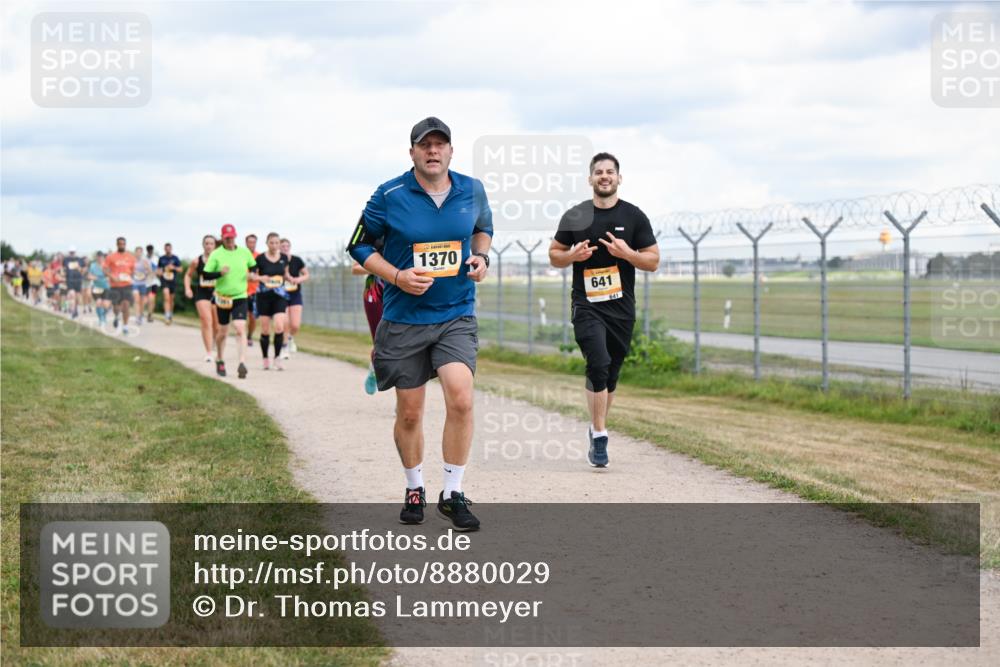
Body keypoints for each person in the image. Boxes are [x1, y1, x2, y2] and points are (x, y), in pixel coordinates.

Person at [348, 116, 492, 531]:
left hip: (455, 314)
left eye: (440, 144)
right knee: (410, 413)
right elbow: (357, 244)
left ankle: (453, 492)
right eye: (424, 145)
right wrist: (396, 276)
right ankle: (415, 487)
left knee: (461, 398)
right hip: (404, 319)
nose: (433, 151)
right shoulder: (389, 194)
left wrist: (481, 258)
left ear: (451, 151)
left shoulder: (472, 190)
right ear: (411, 152)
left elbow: (483, 229)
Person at [548, 152, 659, 468]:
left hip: (621, 308)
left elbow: (653, 260)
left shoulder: (635, 217)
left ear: (619, 178)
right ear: (590, 179)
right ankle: (599, 433)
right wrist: (572, 257)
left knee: (611, 372)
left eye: (610, 171)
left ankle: (596, 424)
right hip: (586, 305)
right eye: (599, 172)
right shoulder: (576, 216)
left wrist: (628, 254)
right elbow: (554, 255)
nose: (605, 176)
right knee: (598, 362)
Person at [201, 224, 257, 379]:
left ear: (235, 236)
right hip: (223, 298)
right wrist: (219, 273)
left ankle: (242, 363)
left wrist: (252, 275)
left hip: (240, 295)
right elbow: (205, 275)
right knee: (223, 332)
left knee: (240, 328)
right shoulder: (216, 254)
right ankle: (219, 359)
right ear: (222, 238)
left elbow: (254, 267)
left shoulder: (244, 252)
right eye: (227, 238)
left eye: (232, 237)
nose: (230, 240)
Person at [351, 225, 385, 395]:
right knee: (381, 342)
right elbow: (355, 268)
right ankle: (374, 370)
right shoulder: (373, 236)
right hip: (375, 292)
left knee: (404, 345)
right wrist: (383, 268)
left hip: (403, 293)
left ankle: (401, 402)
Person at [254, 232, 291, 370]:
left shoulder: (284, 258)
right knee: (264, 329)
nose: (275, 245)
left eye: (277, 243)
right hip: (264, 296)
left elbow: (285, 274)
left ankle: (277, 358)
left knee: (279, 326)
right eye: (272, 243)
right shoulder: (260, 259)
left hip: (279, 296)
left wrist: (291, 279)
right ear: (267, 243)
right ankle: (265, 358)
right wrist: (260, 278)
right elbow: (251, 275)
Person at [185, 235, 221, 362]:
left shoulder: (220, 260)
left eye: (211, 243)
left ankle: (215, 345)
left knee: (217, 325)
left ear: (215, 245)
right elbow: (188, 275)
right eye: (206, 243)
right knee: (206, 321)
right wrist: (188, 288)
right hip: (202, 293)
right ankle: (209, 352)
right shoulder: (196, 261)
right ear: (203, 245)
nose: (209, 246)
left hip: (218, 294)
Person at [279, 238, 309, 359]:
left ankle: (290, 338)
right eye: (283, 246)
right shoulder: (278, 261)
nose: (285, 248)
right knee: (285, 322)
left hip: (295, 294)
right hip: (281, 294)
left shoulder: (297, 260)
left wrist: (298, 279)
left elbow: (306, 274)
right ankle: (284, 347)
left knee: (295, 325)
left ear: (289, 247)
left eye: (287, 246)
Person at [104, 237, 137, 335]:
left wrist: (131, 276)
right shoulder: (111, 257)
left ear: (125, 245)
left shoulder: (131, 257)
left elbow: (133, 271)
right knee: (116, 307)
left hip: (127, 284)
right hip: (115, 285)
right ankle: (116, 316)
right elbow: (105, 269)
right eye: (120, 244)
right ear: (117, 244)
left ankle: (125, 326)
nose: (122, 245)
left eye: (123, 244)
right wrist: (112, 276)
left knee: (126, 305)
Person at [157, 243, 182, 325]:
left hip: (173, 281)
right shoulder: (161, 258)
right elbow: (158, 270)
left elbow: (180, 269)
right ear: (164, 249)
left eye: (169, 248)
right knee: (166, 297)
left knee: (171, 300)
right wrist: (160, 272)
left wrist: (174, 267)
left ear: (171, 249)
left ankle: (170, 314)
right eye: (166, 248)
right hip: (164, 281)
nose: (168, 250)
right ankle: (166, 316)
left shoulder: (175, 258)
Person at [87, 251, 111, 330]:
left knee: (106, 305)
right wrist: (93, 278)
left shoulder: (106, 265)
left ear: (103, 258)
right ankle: (101, 319)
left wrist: (108, 277)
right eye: (98, 257)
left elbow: (110, 274)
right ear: (96, 257)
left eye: (101, 257)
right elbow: (89, 276)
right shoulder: (93, 265)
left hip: (106, 287)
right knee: (98, 302)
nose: (100, 258)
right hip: (96, 287)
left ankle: (104, 315)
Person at [244, 233, 260, 346]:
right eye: (250, 242)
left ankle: (249, 335)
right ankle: (241, 335)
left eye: (254, 242)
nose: (252, 244)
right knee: (241, 318)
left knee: (253, 318)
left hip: (255, 291)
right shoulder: (241, 255)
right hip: (241, 291)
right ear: (246, 243)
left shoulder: (259, 257)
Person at [132, 246, 154, 325]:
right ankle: (137, 316)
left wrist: (147, 269)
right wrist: (132, 272)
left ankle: (140, 315)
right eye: (137, 252)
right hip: (134, 282)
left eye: (140, 252)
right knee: (136, 299)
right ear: (135, 252)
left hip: (143, 283)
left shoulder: (145, 261)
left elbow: (151, 273)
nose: (138, 253)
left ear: (142, 253)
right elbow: (129, 271)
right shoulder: (132, 261)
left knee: (142, 302)